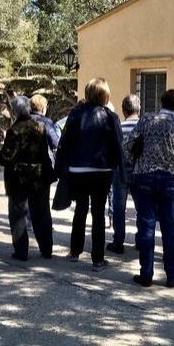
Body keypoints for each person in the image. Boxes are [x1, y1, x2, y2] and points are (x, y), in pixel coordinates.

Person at [124, 89, 174, 287]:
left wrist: (137, 161)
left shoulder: (147, 119)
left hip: (144, 177)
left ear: (161, 102)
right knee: (169, 227)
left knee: (147, 225)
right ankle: (172, 275)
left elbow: (128, 144)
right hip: (169, 180)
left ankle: (146, 274)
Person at [56, 78, 125, 271]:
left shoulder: (75, 114)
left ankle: (75, 251)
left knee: (80, 209)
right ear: (105, 94)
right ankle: (97, 259)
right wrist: (121, 169)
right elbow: (117, 145)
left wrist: (61, 168)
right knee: (98, 213)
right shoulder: (110, 116)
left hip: (77, 169)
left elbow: (64, 141)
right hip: (101, 170)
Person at [0, 96, 55, 261]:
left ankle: (21, 251)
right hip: (39, 176)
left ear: (15, 111)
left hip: (18, 178)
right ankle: (47, 248)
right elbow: (44, 153)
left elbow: (7, 157)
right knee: (42, 213)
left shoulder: (15, 130)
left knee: (18, 214)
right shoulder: (39, 127)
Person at [107, 94, 141, 254]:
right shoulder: (144, 127)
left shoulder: (119, 127)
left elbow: (113, 151)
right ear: (138, 108)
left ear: (123, 110)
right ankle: (141, 240)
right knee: (142, 207)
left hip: (120, 172)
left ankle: (118, 241)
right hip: (139, 172)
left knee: (119, 208)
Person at [29, 94, 60, 168]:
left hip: (23, 164)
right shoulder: (46, 122)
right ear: (43, 109)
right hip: (43, 164)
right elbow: (55, 143)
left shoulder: (21, 121)